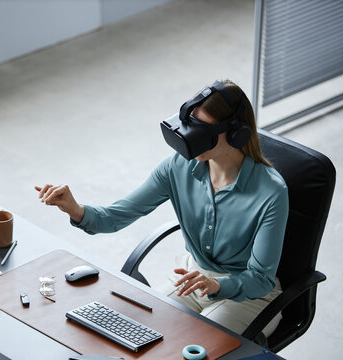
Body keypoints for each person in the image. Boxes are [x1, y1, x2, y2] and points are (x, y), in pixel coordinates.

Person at [35, 79, 288, 337]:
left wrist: (216, 285)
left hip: (248, 297)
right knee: (139, 335)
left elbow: (260, 279)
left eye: (203, 130)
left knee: (190, 348)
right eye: (191, 124)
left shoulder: (270, 191)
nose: (190, 137)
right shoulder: (177, 166)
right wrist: (74, 209)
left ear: (236, 133)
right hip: (193, 280)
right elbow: (118, 215)